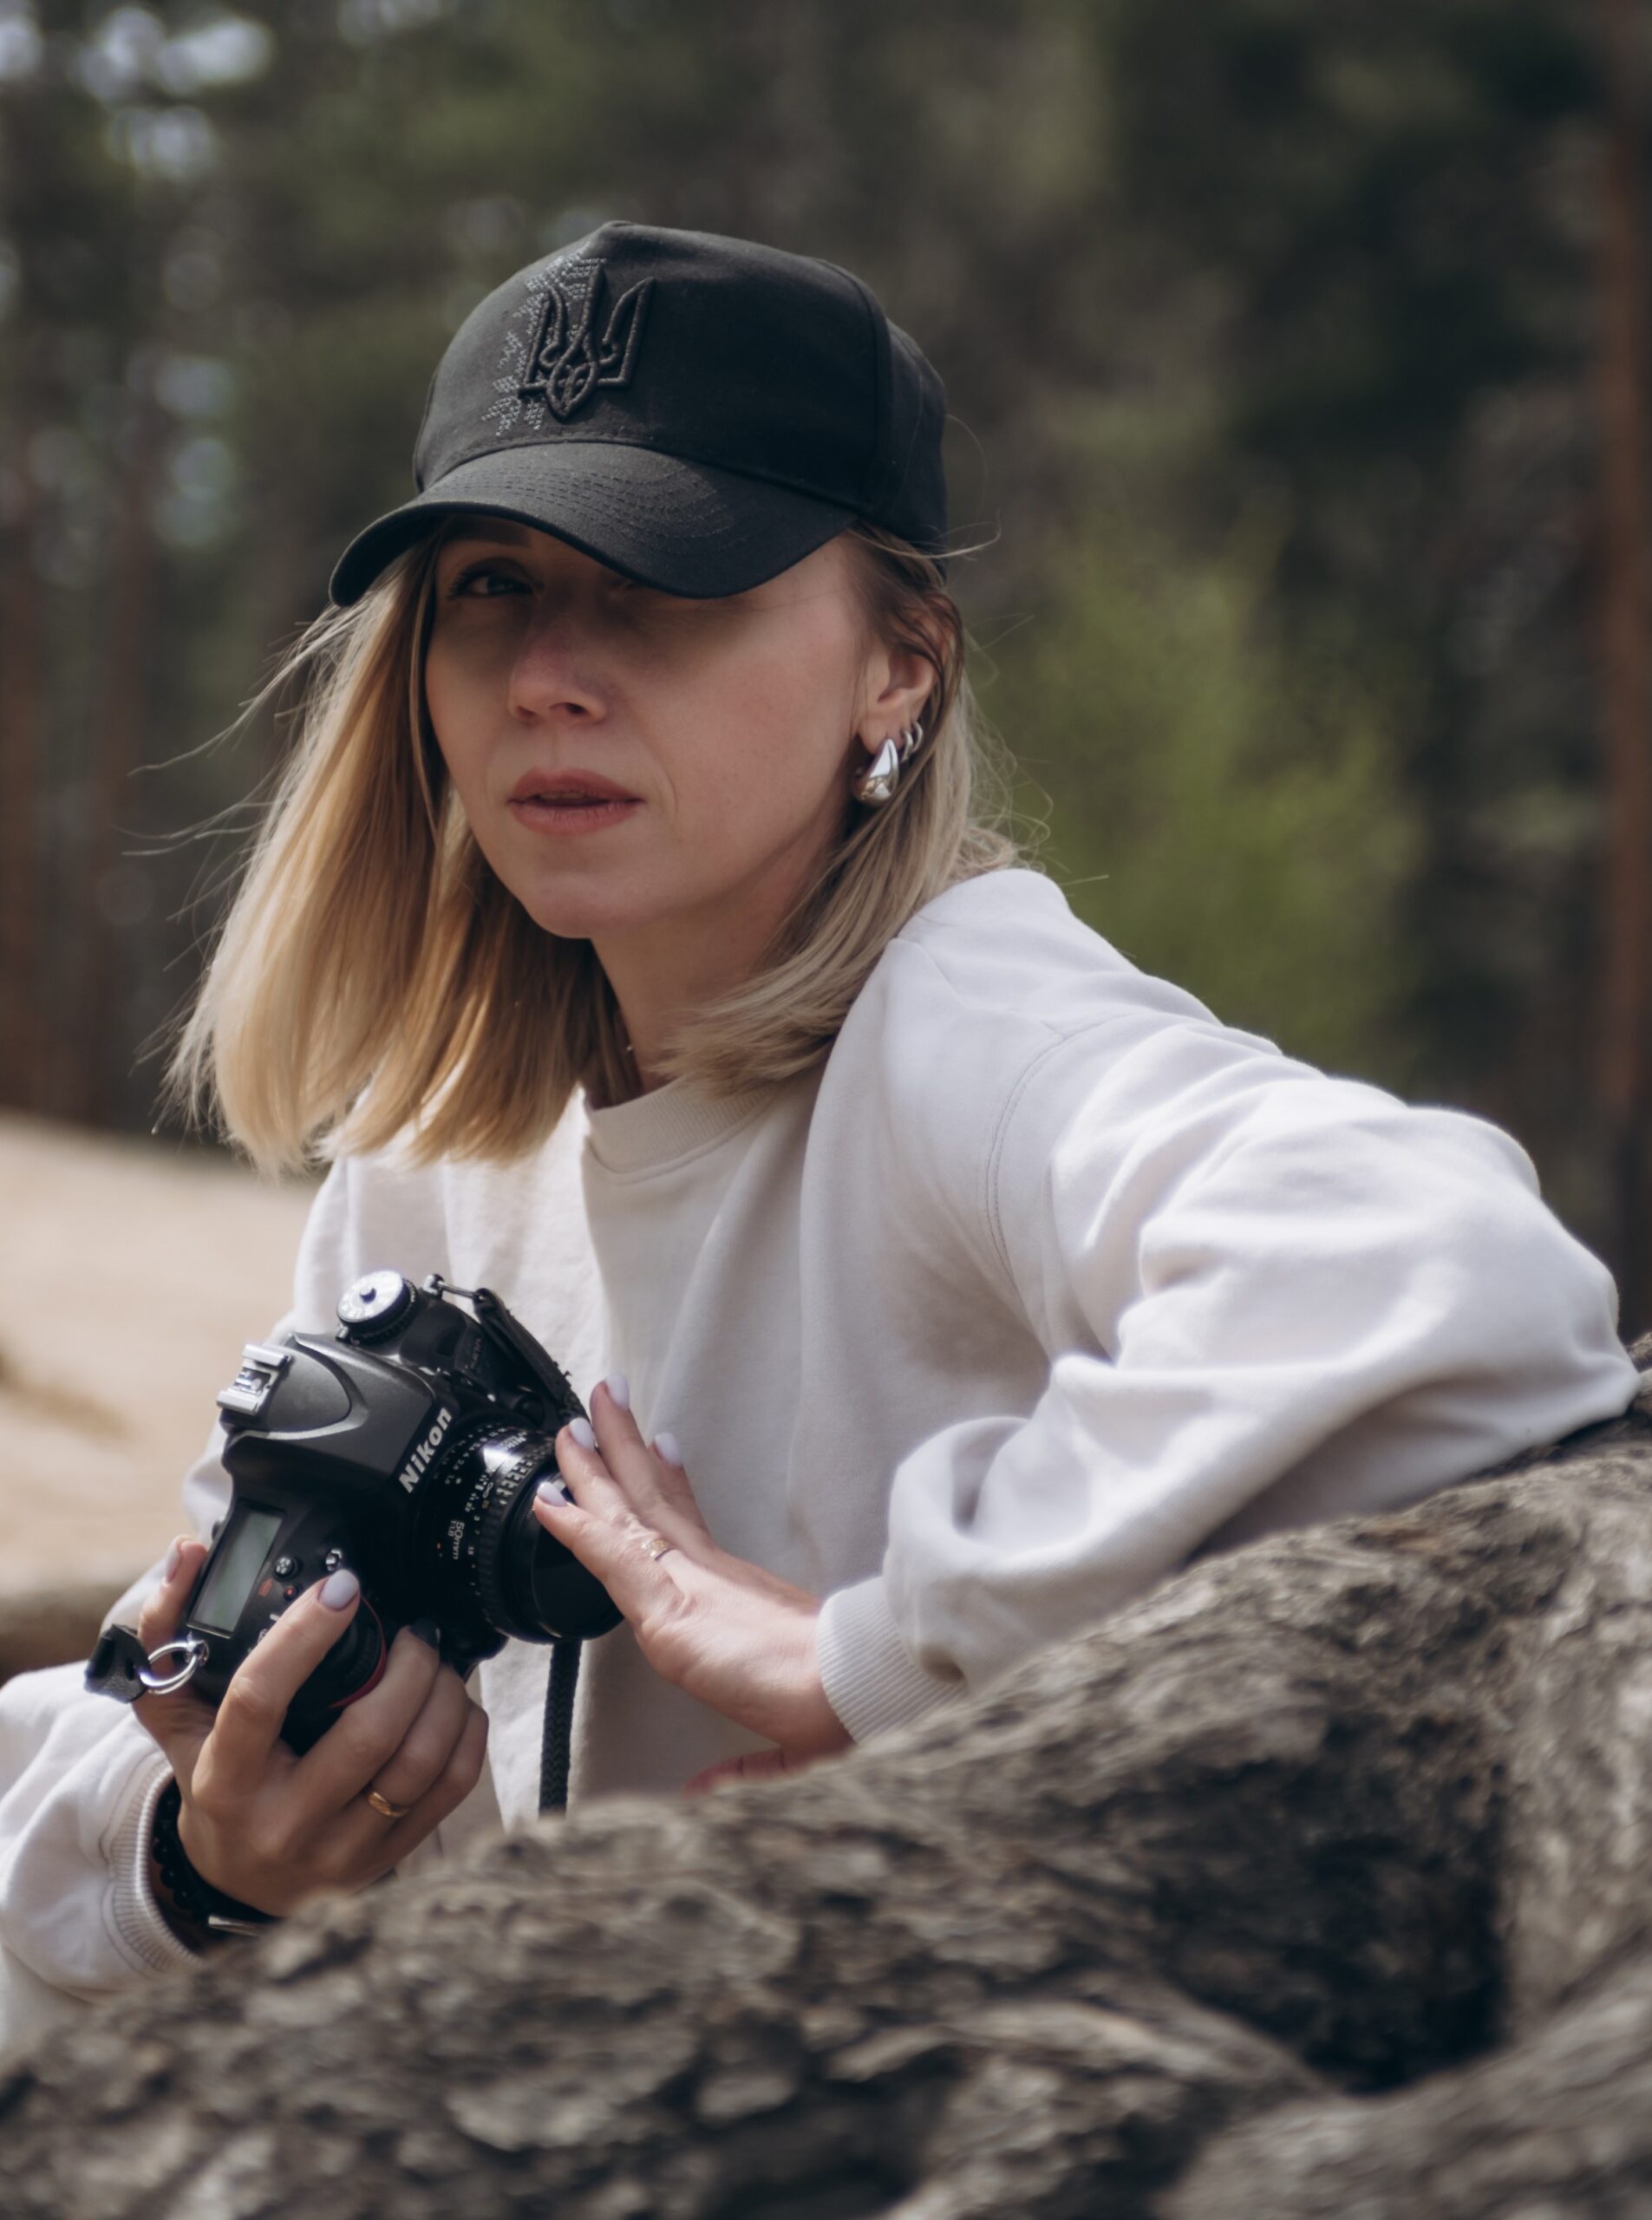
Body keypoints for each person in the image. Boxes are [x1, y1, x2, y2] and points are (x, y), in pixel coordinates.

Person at [0, 221, 1639, 2047]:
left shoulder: (960, 1023)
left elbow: (1442, 1267)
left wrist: (868, 1658)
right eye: (489, 587)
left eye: (660, 584)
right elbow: (146, 1710)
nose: (548, 673)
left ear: (898, 666)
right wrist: (203, 1859)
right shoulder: (437, 1147)